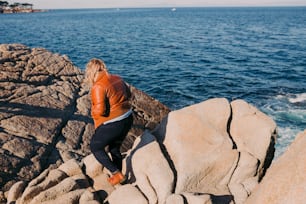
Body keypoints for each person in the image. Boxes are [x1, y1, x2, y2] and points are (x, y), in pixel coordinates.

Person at [84, 58, 133, 185]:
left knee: (96, 147)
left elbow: (100, 111)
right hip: (128, 117)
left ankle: (116, 173)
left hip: (115, 123)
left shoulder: (98, 86)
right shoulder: (117, 77)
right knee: (114, 148)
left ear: (91, 72)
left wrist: (92, 112)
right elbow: (129, 94)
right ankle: (120, 176)